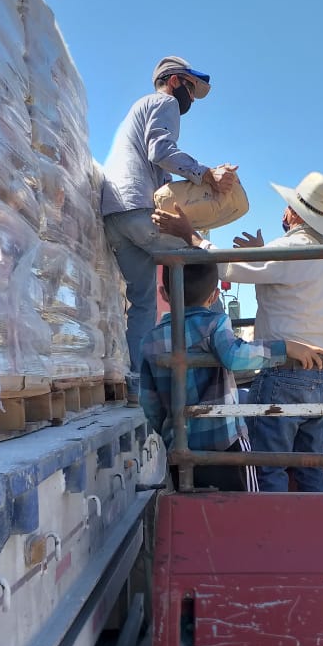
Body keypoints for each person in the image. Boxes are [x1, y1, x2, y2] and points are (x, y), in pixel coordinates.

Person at [153, 172, 323, 492]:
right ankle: (317, 529)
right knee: (312, 466)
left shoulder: (288, 249)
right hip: (321, 375)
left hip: (284, 374)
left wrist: (192, 236)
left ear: (295, 214)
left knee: (269, 466)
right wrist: (261, 253)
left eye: (288, 208)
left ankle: (274, 534)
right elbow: (282, 276)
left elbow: (225, 266)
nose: (283, 213)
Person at [101, 55, 238, 401]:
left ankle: (136, 384)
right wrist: (207, 174)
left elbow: (157, 170)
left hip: (116, 215)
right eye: (190, 88)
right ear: (175, 81)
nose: (190, 98)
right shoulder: (164, 102)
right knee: (202, 267)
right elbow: (161, 149)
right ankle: (227, 359)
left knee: (143, 302)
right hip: (139, 208)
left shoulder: (138, 110)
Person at [139, 261, 323, 492]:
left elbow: (149, 403)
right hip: (226, 444)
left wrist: (170, 429)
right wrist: (284, 348)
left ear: (163, 293)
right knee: (245, 507)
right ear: (215, 295)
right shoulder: (215, 323)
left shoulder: (149, 340)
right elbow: (235, 356)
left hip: (180, 447)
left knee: (192, 506)